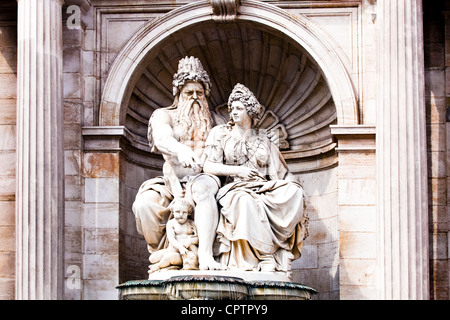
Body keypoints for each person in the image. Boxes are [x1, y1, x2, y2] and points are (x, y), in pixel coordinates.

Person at [203, 83, 309, 272]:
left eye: (239, 108)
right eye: (232, 108)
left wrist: (293, 185)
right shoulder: (220, 134)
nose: (233, 112)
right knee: (246, 201)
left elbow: (281, 173)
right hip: (234, 188)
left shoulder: (264, 140)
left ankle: (280, 252)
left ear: (250, 112)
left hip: (262, 187)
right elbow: (208, 166)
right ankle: (263, 257)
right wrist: (237, 171)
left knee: (294, 192)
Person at [132, 56, 223, 271]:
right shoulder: (164, 116)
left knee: (202, 189)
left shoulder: (216, 120)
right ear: (178, 94)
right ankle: (164, 253)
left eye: (199, 93)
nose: (194, 98)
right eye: (188, 93)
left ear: (206, 94)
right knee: (145, 204)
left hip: (205, 178)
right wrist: (181, 149)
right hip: (171, 181)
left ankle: (205, 256)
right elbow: (163, 139)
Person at [148, 198, 199, 273]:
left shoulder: (191, 223)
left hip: (185, 255)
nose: (181, 215)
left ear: (188, 213)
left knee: (169, 257)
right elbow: (171, 238)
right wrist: (180, 247)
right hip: (173, 249)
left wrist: (191, 241)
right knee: (152, 258)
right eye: (177, 212)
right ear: (173, 212)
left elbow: (199, 238)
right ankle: (164, 263)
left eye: (184, 212)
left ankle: (157, 266)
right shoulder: (171, 223)